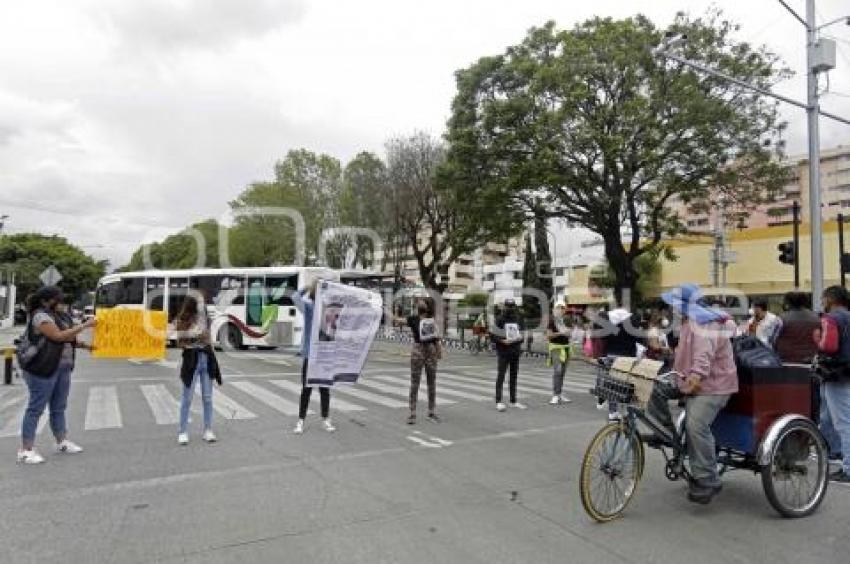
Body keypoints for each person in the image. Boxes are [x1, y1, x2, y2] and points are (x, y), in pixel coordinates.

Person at [647, 283, 738, 504]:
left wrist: (694, 379)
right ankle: (665, 433)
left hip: (714, 386)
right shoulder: (689, 322)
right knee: (655, 388)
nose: (671, 310)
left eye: (674, 306)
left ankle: (708, 478)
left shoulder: (704, 324)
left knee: (695, 425)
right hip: (687, 379)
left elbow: (702, 359)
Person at [17, 286, 96, 465]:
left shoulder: (62, 316)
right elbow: (58, 336)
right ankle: (25, 449)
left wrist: (86, 346)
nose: (62, 303)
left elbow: (69, 339)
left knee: (59, 407)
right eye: (58, 300)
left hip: (63, 367)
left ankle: (62, 441)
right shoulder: (40, 317)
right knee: (36, 408)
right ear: (46, 301)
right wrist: (85, 325)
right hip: (42, 368)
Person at [813, 285, 850, 483]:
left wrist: (818, 340)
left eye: (823, 298)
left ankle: (849, 469)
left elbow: (829, 346)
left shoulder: (831, 318)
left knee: (843, 423)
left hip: (836, 375)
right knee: (832, 418)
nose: (822, 302)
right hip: (847, 373)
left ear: (831, 299)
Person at [175, 295, 222, 445]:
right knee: (187, 398)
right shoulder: (183, 320)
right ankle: (182, 432)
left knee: (207, 397)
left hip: (205, 358)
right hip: (191, 360)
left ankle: (208, 430)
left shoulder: (205, 319)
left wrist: (203, 335)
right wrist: (191, 334)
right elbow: (179, 343)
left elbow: (209, 340)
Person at [292, 281, 336, 434]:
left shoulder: (328, 311)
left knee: (324, 389)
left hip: (324, 355)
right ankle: (300, 421)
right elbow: (295, 297)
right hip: (310, 355)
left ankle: (325, 419)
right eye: (318, 292)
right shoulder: (309, 308)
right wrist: (309, 285)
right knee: (306, 389)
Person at [403, 298, 442, 424]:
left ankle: (431, 412)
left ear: (428, 306)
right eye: (419, 302)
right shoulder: (413, 318)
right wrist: (385, 310)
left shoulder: (432, 320)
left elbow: (436, 338)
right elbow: (397, 320)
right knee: (415, 383)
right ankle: (412, 412)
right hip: (418, 350)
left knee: (432, 383)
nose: (420, 303)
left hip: (430, 351)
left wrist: (439, 351)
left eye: (423, 301)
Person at [492, 298, 525, 412]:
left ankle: (513, 400)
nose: (510, 308)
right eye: (508, 306)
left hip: (515, 351)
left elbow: (522, 335)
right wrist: (502, 341)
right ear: (504, 307)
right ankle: (499, 401)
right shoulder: (499, 319)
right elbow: (493, 336)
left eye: (512, 306)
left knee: (513, 376)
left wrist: (521, 338)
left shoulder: (518, 319)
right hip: (503, 352)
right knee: (501, 376)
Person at [774, 291, 820, 364]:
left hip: (787, 360)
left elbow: (774, 339)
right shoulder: (817, 318)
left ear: (788, 303)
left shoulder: (781, 318)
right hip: (811, 359)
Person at [546, 302, 572, 405]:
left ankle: (559, 393)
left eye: (562, 308)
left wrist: (568, 333)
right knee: (558, 371)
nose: (560, 310)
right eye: (558, 308)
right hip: (556, 348)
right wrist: (561, 333)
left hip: (566, 347)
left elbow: (569, 334)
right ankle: (555, 395)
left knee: (563, 372)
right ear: (555, 309)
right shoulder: (552, 321)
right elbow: (549, 336)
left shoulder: (566, 320)